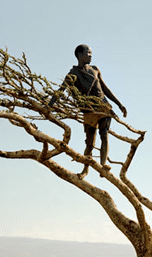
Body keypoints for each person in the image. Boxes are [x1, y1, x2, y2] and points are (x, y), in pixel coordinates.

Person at [48, 44, 127, 178]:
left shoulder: (95, 69)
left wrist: (119, 104)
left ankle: (103, 167)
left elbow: (105, 89)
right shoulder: (73, 73)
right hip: (89, 109)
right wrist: (48, 106)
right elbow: (61, 90)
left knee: (104, 135)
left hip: (103, 106)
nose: (90, 55)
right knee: (90, 142)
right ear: (79, 55)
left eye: (91, 53)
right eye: (88, 53)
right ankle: (85, 169)